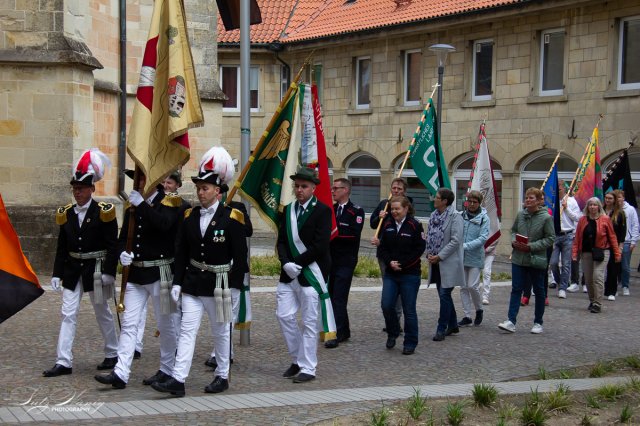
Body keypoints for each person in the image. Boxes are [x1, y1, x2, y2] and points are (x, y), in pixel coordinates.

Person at [151, 147, 248, 397]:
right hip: (193, 283)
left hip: (220, 283)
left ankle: (222, 375)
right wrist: (177, 283)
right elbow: (181, 251)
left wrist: (235, 286)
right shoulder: (189, 216)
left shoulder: (232, 218)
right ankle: (178, 379)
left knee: (220, 332)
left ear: (217, 191)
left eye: (205, 188)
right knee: (187, 330)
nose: (200, 193)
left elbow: (240, 256)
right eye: (199, 188)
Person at [95, 170, 183, 389]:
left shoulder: (172, 201)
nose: (139, 183)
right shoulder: (133, 205)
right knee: (129, 323)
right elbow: (124, 237)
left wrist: (142, 204)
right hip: (136, 273)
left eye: (142, 179)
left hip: (160, 272)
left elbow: (163, 224)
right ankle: (121, 372)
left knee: (166, 324)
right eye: (137, 179)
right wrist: (121, 254)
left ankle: (167, 369)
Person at [44, 149, 119, 377]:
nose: (77, 193)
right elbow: (61, 247)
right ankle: (63, 360)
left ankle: (113, 352)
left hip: (96, 269)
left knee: (101, 311)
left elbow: (112, 245)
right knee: (68, 313)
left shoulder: (104, 212)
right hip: (73, 269)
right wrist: (57, 273)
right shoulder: (65, 213)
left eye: (82, 189)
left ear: (92, 189)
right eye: (75, 189)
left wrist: (109, 272)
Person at [277, 166, 333, 383]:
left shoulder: (323, 211)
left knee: (309, 322)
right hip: (289, 274)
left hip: (311, 272)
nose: (299, 190)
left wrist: (297, 263)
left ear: (313, 188)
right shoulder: (288, 210)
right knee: (283, 315)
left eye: (304, 186)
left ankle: (308, 367)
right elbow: (281, 241)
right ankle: (297, 359)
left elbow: (320, 245)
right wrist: (285, 264)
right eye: (297, 186)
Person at [135, 169, 190, 361]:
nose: (166, 186)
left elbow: (177, 235)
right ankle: (135, 345)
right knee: (138, 313)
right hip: (150, 265)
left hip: (172, 262)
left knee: (172, 314)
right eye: (164, 182)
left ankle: (177, 349)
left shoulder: (181, 205)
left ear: (177, 186)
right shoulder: (149, 205)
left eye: (170, 183)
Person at [204, 184, 253, 370]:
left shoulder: (236, 207)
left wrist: (230, 216)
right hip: (213, 269)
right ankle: (225, 353)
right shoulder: (204, 211)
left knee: (229, 314)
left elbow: (248, 230)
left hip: (233, 268)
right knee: (218, 316)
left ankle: (221, 355)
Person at [498, 188, 554, 334]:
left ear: (539, 201)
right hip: (518, 258)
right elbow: (513, 231)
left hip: (536, 259)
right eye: (526, 197)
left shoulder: (546, 218)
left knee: (539, 290)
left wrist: (531, 246)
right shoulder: (520, 215)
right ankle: (511, 321)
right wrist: (513, 242)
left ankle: (538, 322)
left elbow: (550, 238)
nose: (528, 200)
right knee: (516, 289)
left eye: (531, 198)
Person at [378, 195, 426, 355]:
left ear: (406, 209)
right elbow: (382, 247)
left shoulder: (415, 225)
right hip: (391, 273)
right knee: (386, 305)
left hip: (409, 274)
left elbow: (418, 249)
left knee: (409, 309)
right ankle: (393, 332)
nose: (394, 211)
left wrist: (402, 264)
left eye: (397, 208)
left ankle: (410, 342)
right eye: (392, 209)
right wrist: (389, 262)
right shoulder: (388, 224)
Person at [325, 178, 364, 349]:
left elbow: (353, 234)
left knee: (339, 297)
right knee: (332, 295)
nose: (332, 191)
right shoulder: (330, 210)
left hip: (346, 260)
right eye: (332, 188)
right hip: (331, 259)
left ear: (346, 190)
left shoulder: (356, 211)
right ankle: (344, 329)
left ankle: (338, 333)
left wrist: (333, 233)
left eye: (336, 188)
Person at [370, 178, 412, 331]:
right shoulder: (384, 204)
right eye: (394, 188)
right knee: (388, 285)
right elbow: (373, 224)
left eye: (399, 189)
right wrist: (379, 216)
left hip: (401, 252)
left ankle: (397, 319)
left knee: (399, 286)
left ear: (404, 191)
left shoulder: (407, 205)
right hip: (384, 252)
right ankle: (391, 320)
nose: (395, 191)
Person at [572, 197, 621, 313]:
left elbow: (612, 237)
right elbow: (577, 238)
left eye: (595, 205)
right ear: (587, 207)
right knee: (588, 279)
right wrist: (574, 253)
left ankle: (598, 303)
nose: (593, 207)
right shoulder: (583, 220)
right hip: (586, 252)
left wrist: (617, 253)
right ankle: (592, 300)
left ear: (599, 206)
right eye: (590, 205)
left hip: (602, 251)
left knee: (597, 276)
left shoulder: (605, 219)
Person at [428, 188, 465, 342]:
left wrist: (440, 256)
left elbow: (456, 241)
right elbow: (429, 235)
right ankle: (453, 324)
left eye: (436, 197)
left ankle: (441, 328)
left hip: (448, 262)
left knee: (444, 294)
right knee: (444, 295)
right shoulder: (433, 215)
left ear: (444, 201)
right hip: (435, 262)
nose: (433, 199)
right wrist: (429, 252)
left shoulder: (455, 217)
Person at [458, 191, 489, 327]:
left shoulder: (484, 218)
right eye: (469, 201)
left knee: (472, 286)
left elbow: (483, 238)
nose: (471, 204)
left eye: (474, 202)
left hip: (475, 257)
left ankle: (479, 309)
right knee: (463, 287)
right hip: (461, 257)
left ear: (479, 203)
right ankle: (467, 315)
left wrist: (465, 246)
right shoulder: (461, 215)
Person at [549, 180, 582, 299]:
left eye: (559, 188)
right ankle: (560, 282)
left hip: (568, 235)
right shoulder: (551, 201)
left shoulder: (571, 201)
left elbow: (578, 217)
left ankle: (562, 288)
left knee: (566, 264)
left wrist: (566, 208)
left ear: (564, 189)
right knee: (553, 263)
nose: (558, 191)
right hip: (555, 235)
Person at [603, 191, 626, 301]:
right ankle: (602, 289)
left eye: (610, 198)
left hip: (614, 243)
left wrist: (620, 246)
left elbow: (622, 231)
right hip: (601, 243)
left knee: (612, 268)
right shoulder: (600, 210)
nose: (607, 200)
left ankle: (612, 291)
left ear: (614, 200)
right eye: (606, 198)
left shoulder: (619, 213)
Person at [617, 190, 639, 296]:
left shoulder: (630, 209)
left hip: (626, 241)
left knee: (625, 266)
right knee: (614, 265)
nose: (618, 200)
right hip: (615, 242)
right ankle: (614, 285)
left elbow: (635, 225)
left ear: (623, 198)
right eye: (616, 198)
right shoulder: (613, 210)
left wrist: (634, 240)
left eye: (620, 197)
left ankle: (625, 285)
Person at [481, 239, 498, 305]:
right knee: (476, 271)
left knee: (486, 272)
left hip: (490, 252)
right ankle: (475, 294)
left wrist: (487, 249)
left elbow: (496, 237)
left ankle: (485, 296)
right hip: (477, 251)